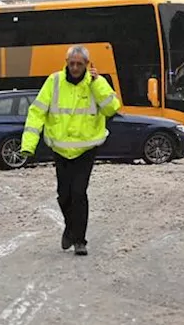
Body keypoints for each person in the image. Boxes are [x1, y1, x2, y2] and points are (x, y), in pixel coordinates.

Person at [20, 45, 121, 256]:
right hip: (60, 148)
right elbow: (36, 112)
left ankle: (80, 240)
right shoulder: (54, 81)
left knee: (78, 192)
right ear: (66, 63)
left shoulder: (96, 83)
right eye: (71, 63)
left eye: (79, 64)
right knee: (63, 194)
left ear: (87, 65)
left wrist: (98, 83)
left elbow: (112, 108)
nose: (75, 67)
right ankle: (70, 228)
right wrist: (28, 144)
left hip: (86, 149)